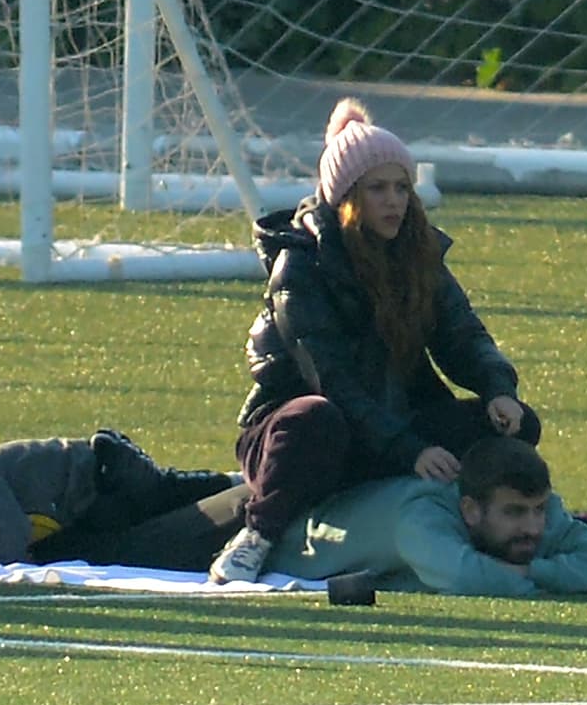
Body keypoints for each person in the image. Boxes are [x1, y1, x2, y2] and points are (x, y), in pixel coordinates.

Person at [209, 98, 542, 583]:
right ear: (346, 198)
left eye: (402, 188)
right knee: (315, 418)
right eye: (378, 189)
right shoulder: (301, 266)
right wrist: (411, 451)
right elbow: (333, 381)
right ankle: (257, 536)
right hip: (313, 432)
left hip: (393, 423)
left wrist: (498, 388)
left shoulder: (418, 256)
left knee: (518, 425)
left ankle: (491, 529)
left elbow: (463, 335)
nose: (394, 201)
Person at [264, 435, 587, 597]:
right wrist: (559, 575)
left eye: (538, 510)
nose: (532, 528)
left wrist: (538, 572)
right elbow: (464, 576)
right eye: (515, 513)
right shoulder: (420, 515)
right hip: (274, 528)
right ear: (470, 510)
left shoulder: (545, 518)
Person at [0, 430, 237, 565]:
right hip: (93, 503)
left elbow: (13, 532)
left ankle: (240, 480)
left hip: (107, 470)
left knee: (173, 494)